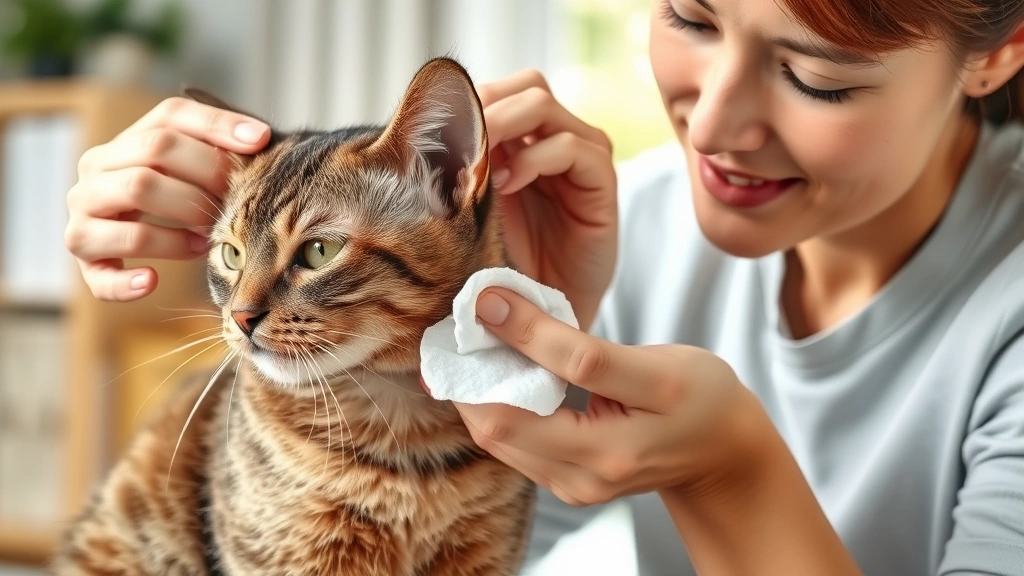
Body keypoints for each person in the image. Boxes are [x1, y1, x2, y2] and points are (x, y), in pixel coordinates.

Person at [64, 0, 1024, 573]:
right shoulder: (620, 222)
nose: (715, 126)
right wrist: (499, 357)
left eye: (817, 77)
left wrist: (729, 475)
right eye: (690, 16)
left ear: (996, 50)